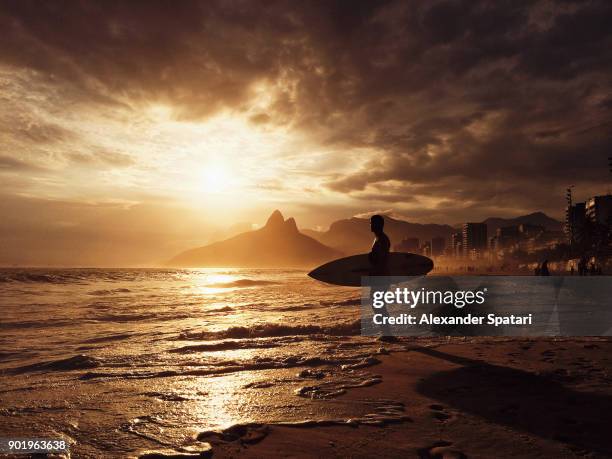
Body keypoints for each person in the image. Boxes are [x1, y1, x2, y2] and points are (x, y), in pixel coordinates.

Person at [367, 215, 395, 341]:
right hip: (380, 276)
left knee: (378, 304)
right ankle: (386, 332)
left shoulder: (382, 239)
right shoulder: (378, 238)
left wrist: (376, 274)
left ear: (379, 224)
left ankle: (387, 334)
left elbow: (382, 260)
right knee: (377, 304)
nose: (370, 225)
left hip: (381, 277)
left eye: (372, 223)